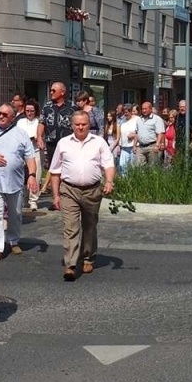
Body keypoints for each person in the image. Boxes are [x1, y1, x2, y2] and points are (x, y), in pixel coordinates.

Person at [50, 111, 115, 282]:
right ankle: (70, 264)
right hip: (69, 190)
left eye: (84, 124)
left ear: (89, 125)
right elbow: (55, 171)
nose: (80, 127)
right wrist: (55, 195)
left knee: (89, 226)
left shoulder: (99, 142)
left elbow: (108, 163)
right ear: (72, 125)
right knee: (70, 227)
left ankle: (87, 258)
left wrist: (109, 181)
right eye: (77, 124)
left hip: (92, 190)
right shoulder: (63, 143)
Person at [0, 103, 36, 261]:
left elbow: (30, 156)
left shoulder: (21, 134)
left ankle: (14, 240)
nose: (0, 116)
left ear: (12, 117)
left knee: (15, 214)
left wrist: (32, 175)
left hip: (15, 182)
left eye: (4, 114)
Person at [131, 101, 164, 168]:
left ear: (150, 109)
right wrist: (134, 145)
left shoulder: (157, 119)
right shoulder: (139, 119)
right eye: (143, 109)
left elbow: (160, 133)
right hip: (141, 147)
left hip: (152, 146)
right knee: (138, 167)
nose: (144, 110)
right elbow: (137, 133)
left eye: (145, 109)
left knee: (153, 168)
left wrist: (157, 145)